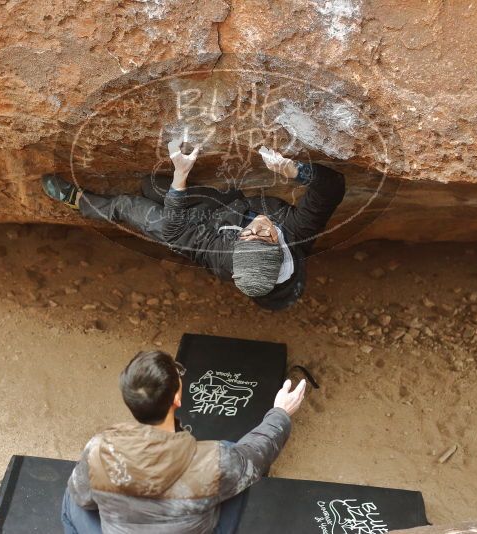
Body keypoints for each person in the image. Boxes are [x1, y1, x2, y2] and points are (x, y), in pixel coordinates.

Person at [41, 140, 345, 310]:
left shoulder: (225, 257)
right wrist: (295, 171)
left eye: (258, 233)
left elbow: (175, 230)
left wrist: (180, 176)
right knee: (150, 186)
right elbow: (331, 187)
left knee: (127, 204)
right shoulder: (298, 231)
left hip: (193, 235)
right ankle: (165, 191)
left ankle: (79, 201)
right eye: (257, 233)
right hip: (224, 210)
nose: (261, 224)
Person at [62, 350, 306, 534]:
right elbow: (257, 453)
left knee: (74, 495)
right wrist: (280, 413)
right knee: (238, 462)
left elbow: (83, 497)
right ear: (177, 398)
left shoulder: (98, 450)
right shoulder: (215, 461)